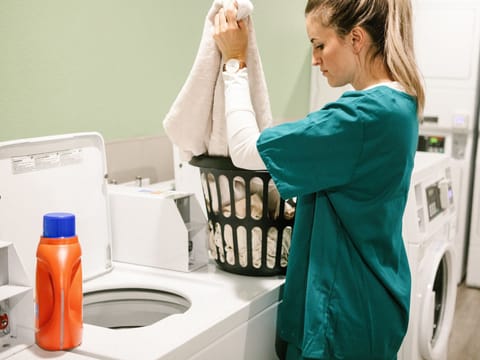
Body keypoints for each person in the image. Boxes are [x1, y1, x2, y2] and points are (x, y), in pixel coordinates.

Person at [213, 0, 424, 359]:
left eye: (319, 44)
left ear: (356, 38)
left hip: (342, 316)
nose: (314, 59)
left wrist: (234, 62)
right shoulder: (402, 102)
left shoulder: (359, 117)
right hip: (376, 297)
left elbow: (245, 150)